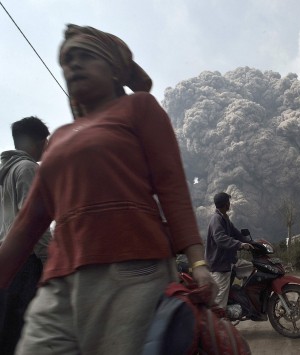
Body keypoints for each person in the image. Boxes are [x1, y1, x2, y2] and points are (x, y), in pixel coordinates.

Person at [0, 24, 216, 355]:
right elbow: (27, 224)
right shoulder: (58, 137)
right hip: (59, 281)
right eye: (67, 58)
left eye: (85, 56)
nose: (73, 64)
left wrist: (198, 263)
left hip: (132, 271)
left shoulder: (140, 108)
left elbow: (172, 188)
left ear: (115, 71)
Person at [0, 117, 51, 355]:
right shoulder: (28, 169)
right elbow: (34, 223)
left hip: (4, 263)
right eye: (45, 140)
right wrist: (48, 261)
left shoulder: (3, 172)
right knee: (24, 333)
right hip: (25, 264)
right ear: (37, 142)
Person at [205, 192, 253, 309]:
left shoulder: (224, 218)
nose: (229, 204)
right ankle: (218, 322)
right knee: (219, 300)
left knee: (252, 268)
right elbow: (220, 238)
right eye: (228, 202)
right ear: (226, 204)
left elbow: (236, 234)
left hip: (230, 261)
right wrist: (240, 245)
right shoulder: (216, 219)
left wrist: (253, 243)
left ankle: (242, 298)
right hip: (219, 265)